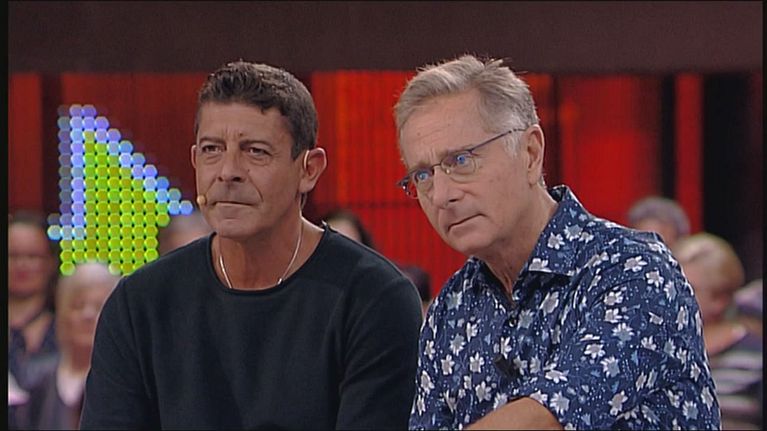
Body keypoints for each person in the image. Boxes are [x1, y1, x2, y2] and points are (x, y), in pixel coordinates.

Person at [80, 60, 422, 429]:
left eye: (255, 151)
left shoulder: (373, 299)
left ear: (309, 169)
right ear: (195, 160)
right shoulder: (139, 304)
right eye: (212, 149)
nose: (228, 171)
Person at [395, 55, 719, 429]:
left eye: (461, 161)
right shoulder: (450, 309)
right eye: (423, 175)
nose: (441, 195)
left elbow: (551, 417)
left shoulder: (634, 271)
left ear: (530, 153)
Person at [11, 261, 119, 430]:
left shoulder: (125, 383)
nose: (87, 315)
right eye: (78, 306)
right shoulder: (32, 379)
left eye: (99, 307)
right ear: (62, 313)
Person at [674, 233, 762, 430]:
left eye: (689, 288)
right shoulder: (660, 348)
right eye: (673, 284)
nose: (676, 295)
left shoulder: (755, 354)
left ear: (720, 299)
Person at [8, 211, 60, 392]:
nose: (22, 265)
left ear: (51, 262)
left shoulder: (70, 331)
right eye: (12, 256)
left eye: (32, 256)